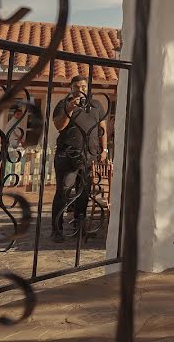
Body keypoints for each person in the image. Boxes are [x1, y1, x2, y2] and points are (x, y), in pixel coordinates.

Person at [51, 75, 108, 243]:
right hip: (67, 155)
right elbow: (59, 126)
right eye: (76, 87)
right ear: (71, 88)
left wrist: (103, 149)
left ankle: (79, 227)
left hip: (89, 156)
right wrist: (69, 109)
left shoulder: (96, 105)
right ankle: (57, 229)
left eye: (83, 86)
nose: (80, 90)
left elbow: (102, 128)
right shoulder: (63, 104)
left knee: (84, 192)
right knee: (64, 191)